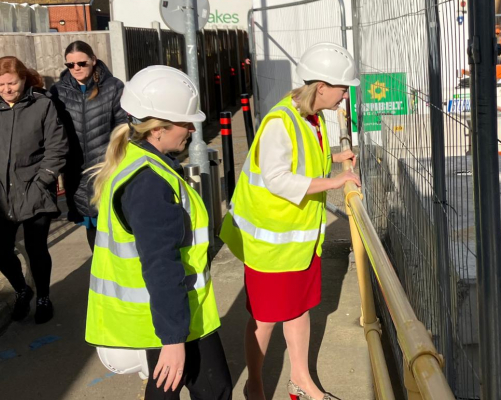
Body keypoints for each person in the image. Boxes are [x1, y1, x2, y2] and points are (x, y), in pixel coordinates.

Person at [220, 43, 361, 400]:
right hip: (270, 244)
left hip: (295, 242)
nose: (346, 94)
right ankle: (256, 387)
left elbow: (303, 161)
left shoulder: (311, 118)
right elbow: (277, 178)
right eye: (343, 87)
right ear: (322, 86)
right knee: (265, 319)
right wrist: (334, 181)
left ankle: (301, 380)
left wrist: (333, 156)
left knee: (299, 310)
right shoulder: (280, 121)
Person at [85, 66, 231, 400]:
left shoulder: (139, 161)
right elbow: (160, 264)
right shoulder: (149, 182)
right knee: (206, 389)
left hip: (176, 312)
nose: (193, 129)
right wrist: (173, 340)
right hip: (168, 317)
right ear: (158, 128)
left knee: (209, 387)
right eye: (185, 122)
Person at [0, 56, 68, 323]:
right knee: (0, 250)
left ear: (24, 79)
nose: (7, 89)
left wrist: (43, 180)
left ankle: (43, 297)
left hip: (35, 189)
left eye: (12, 83)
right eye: (0, 84)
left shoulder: (42, 105)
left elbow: (56, 147)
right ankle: (22, 290)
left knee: (37, 248)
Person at [50, 41, 127, 251]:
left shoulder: (113, 87)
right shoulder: (57, 92)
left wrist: (115, 160)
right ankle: (102, 277)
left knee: (116, 226)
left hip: (106, 169)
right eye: (70, 65)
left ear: (93, 60)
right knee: (92, 231)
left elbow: (123, 127)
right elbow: (52, 131)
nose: (76, 68)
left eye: (81, 63)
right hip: (75, 172)